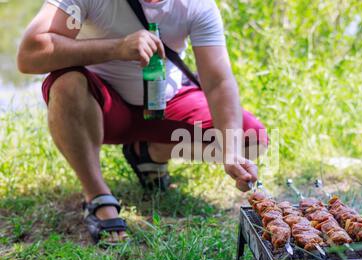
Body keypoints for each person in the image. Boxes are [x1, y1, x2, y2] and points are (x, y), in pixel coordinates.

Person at [17, 0, 268, 245]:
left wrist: (230, 151)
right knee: (66, 83)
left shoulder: (196, 4)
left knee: (250, 140)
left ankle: (149, 153)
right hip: (102, 108)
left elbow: (218, 81)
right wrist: (116, 48)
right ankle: (96, 193)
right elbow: (30, 54)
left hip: (165, 104)